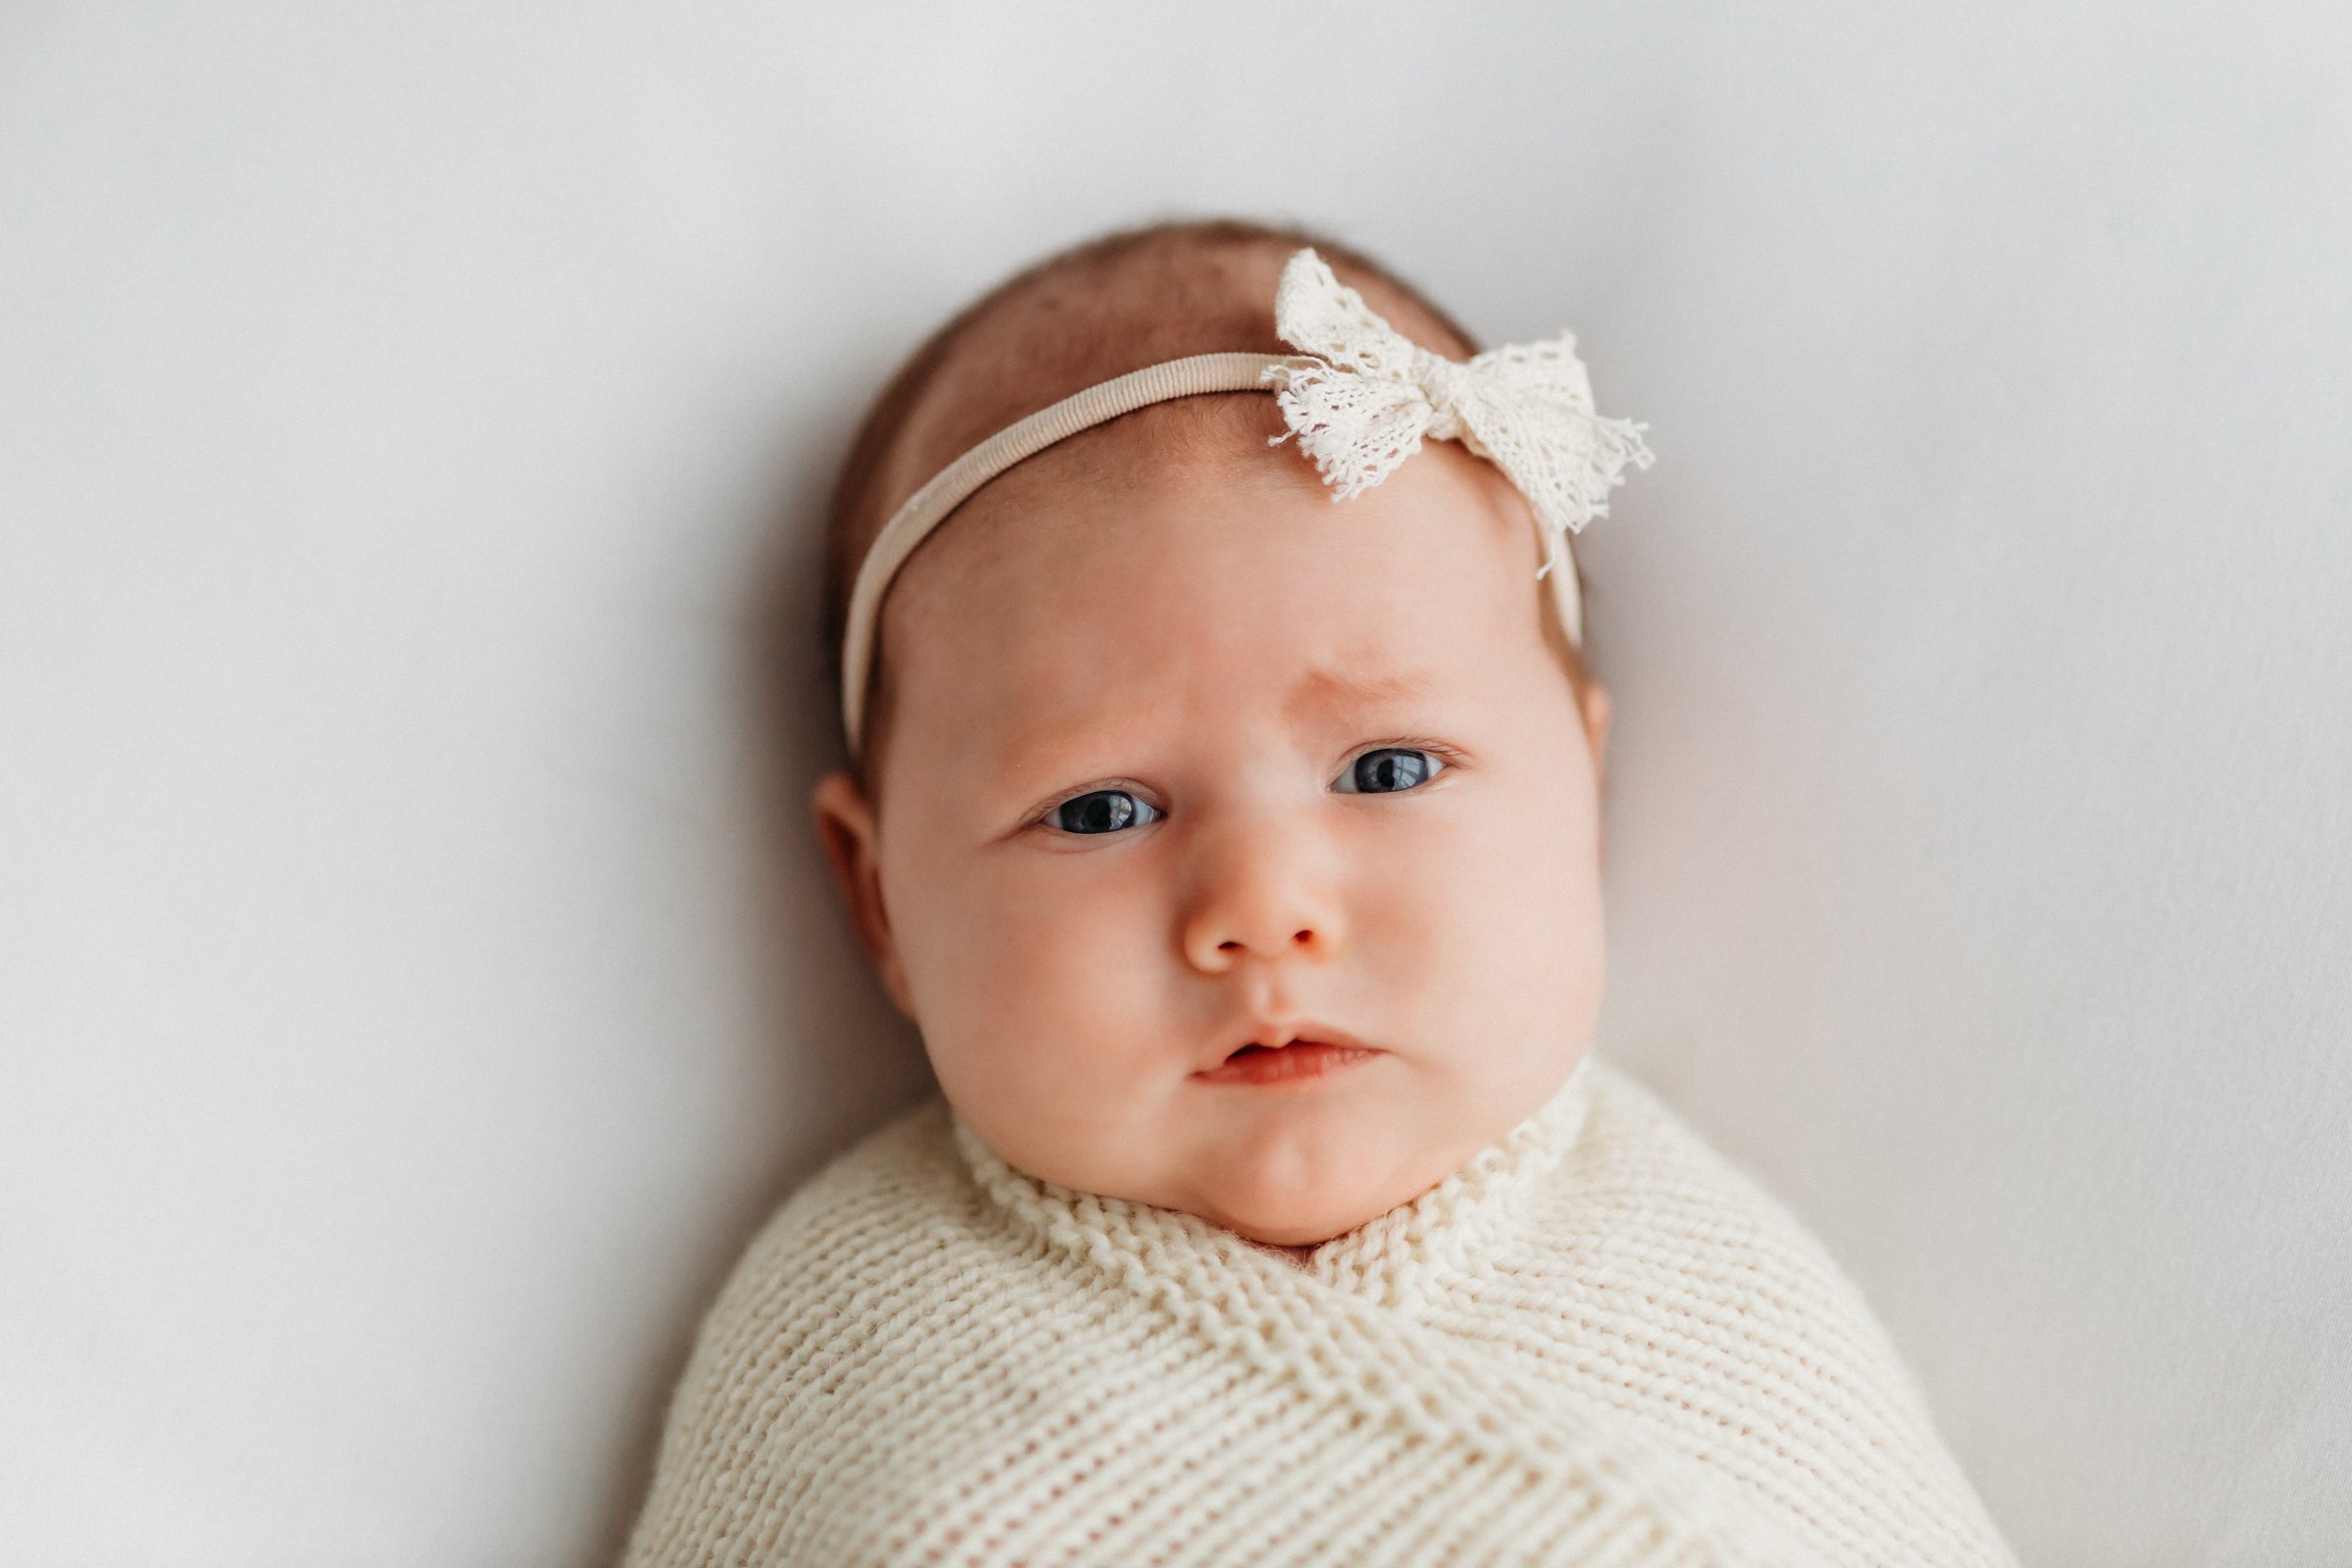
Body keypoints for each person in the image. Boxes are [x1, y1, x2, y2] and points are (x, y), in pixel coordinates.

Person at [622, 219, 2017, 1566]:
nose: (1263, 908)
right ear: (880, 904)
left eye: (1391, 767)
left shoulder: (1715, 1303)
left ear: (1581, 790)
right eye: (1101, 810)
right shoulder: (845, 1340)